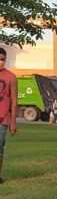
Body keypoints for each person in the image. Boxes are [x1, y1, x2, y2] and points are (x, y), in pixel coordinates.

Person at [0, 48, 17, 184]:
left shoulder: (11, 77)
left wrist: (13, 122)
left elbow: (14, 100)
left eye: (3, 60)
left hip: (2, 119)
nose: (1, 62)